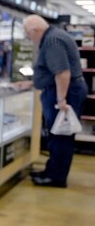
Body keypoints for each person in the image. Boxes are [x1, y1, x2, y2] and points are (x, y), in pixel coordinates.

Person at [22, 15, 87, 188]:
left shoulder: (52, 40)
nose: (29, 38)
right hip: (66, 90)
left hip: (65, 93)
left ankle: (56, 177)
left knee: (60, 137)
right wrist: (33, 82)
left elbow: (63, 73)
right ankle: (51, 171)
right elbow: (53, 72)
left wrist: (61, 100)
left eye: (28, 34)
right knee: (57, 136)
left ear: (36, 30)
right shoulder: (56, 36)